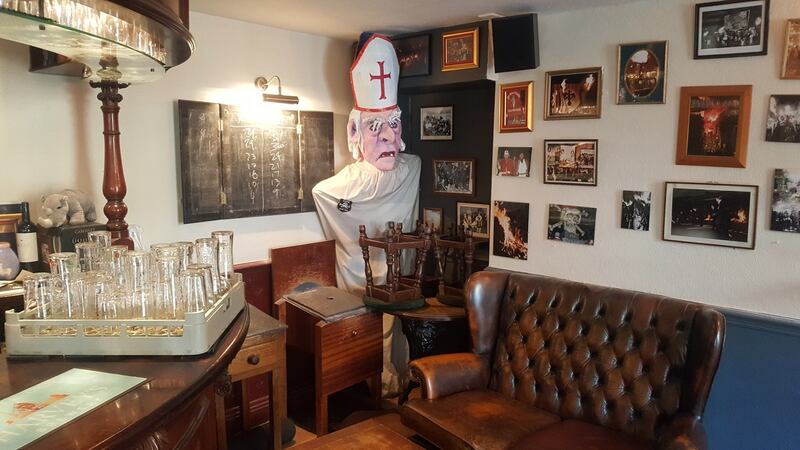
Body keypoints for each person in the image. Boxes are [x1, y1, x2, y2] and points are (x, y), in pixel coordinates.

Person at [312, 33, 420, 397]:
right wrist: (350, 213)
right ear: (355, 132)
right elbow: (327, 195)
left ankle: (389, 387)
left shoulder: (400, 172)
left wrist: (349, 210)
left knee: (393, 334)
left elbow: (326, 195)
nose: (389, 136)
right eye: (376, 128)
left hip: (393, 278)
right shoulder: (395, 172)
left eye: (393, 124)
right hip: (364, 280)